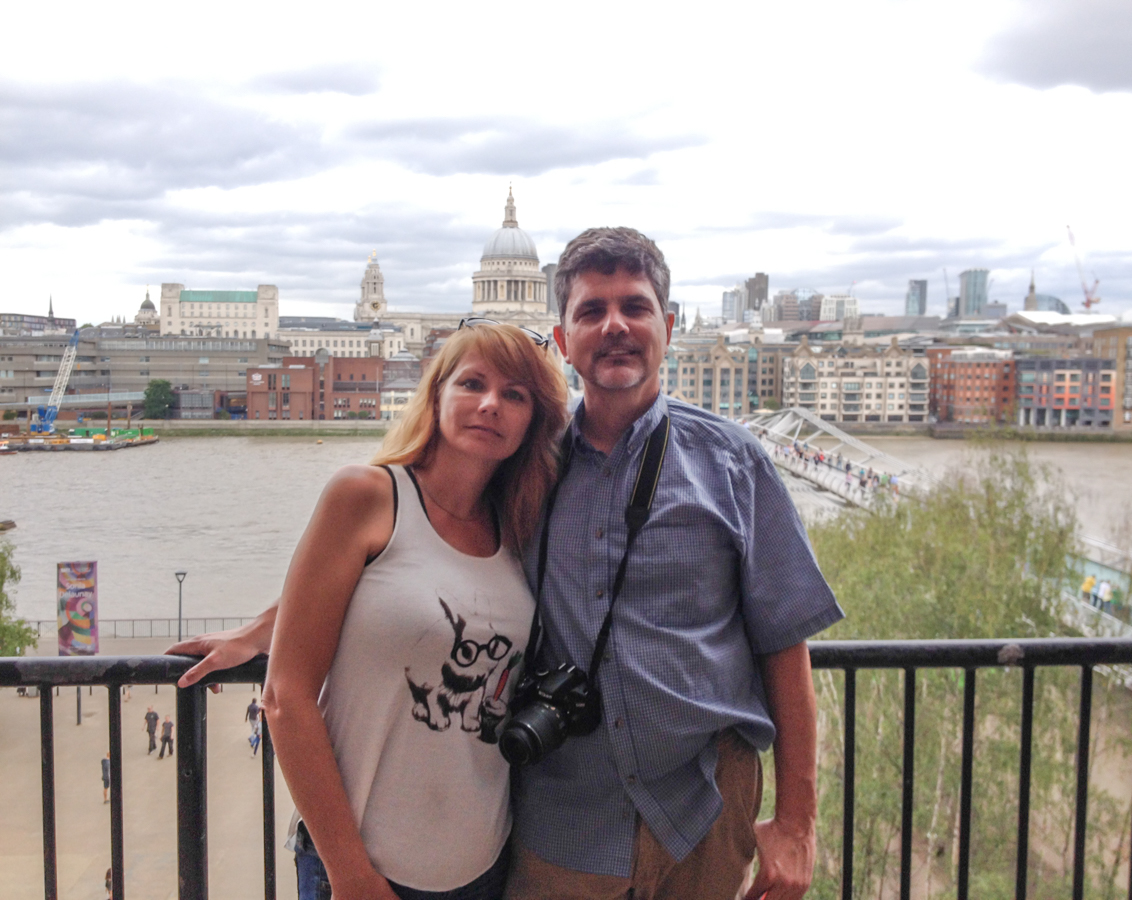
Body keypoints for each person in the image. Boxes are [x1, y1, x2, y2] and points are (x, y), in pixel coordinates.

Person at [169, 229, 841, 900]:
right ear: (564, 336)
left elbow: (784, 642)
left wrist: (798, 821)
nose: (614, 326)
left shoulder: (733, 461)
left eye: (634, 308)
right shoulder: (531, 467)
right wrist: (268, 630)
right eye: (591, 311)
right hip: (565, 815)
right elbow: (415, 559)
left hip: (703, 808)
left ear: (666, 325)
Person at [173, 321, 567, 900]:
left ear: (533, 419)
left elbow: (424, 592)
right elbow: (284, 700)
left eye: (515, 395)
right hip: (366, 870)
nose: (490, 405)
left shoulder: (521, 529)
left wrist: (265, 625)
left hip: (484, 863)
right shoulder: (366, 495)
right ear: (436, 394)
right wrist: (351, 874)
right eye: (472, 384)